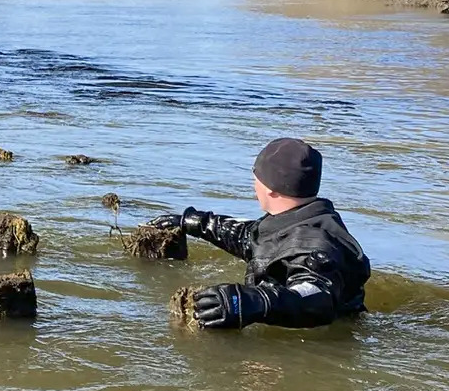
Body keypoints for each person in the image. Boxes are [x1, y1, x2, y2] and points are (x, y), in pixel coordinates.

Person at [150, 137, 369, 330]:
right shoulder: (298, 218)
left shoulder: (313, 243)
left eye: (256, 178)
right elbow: (249, 238)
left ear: (270, 188)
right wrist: (195, 223)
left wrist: (252, 302)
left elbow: (317, 296)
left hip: (321, 345)